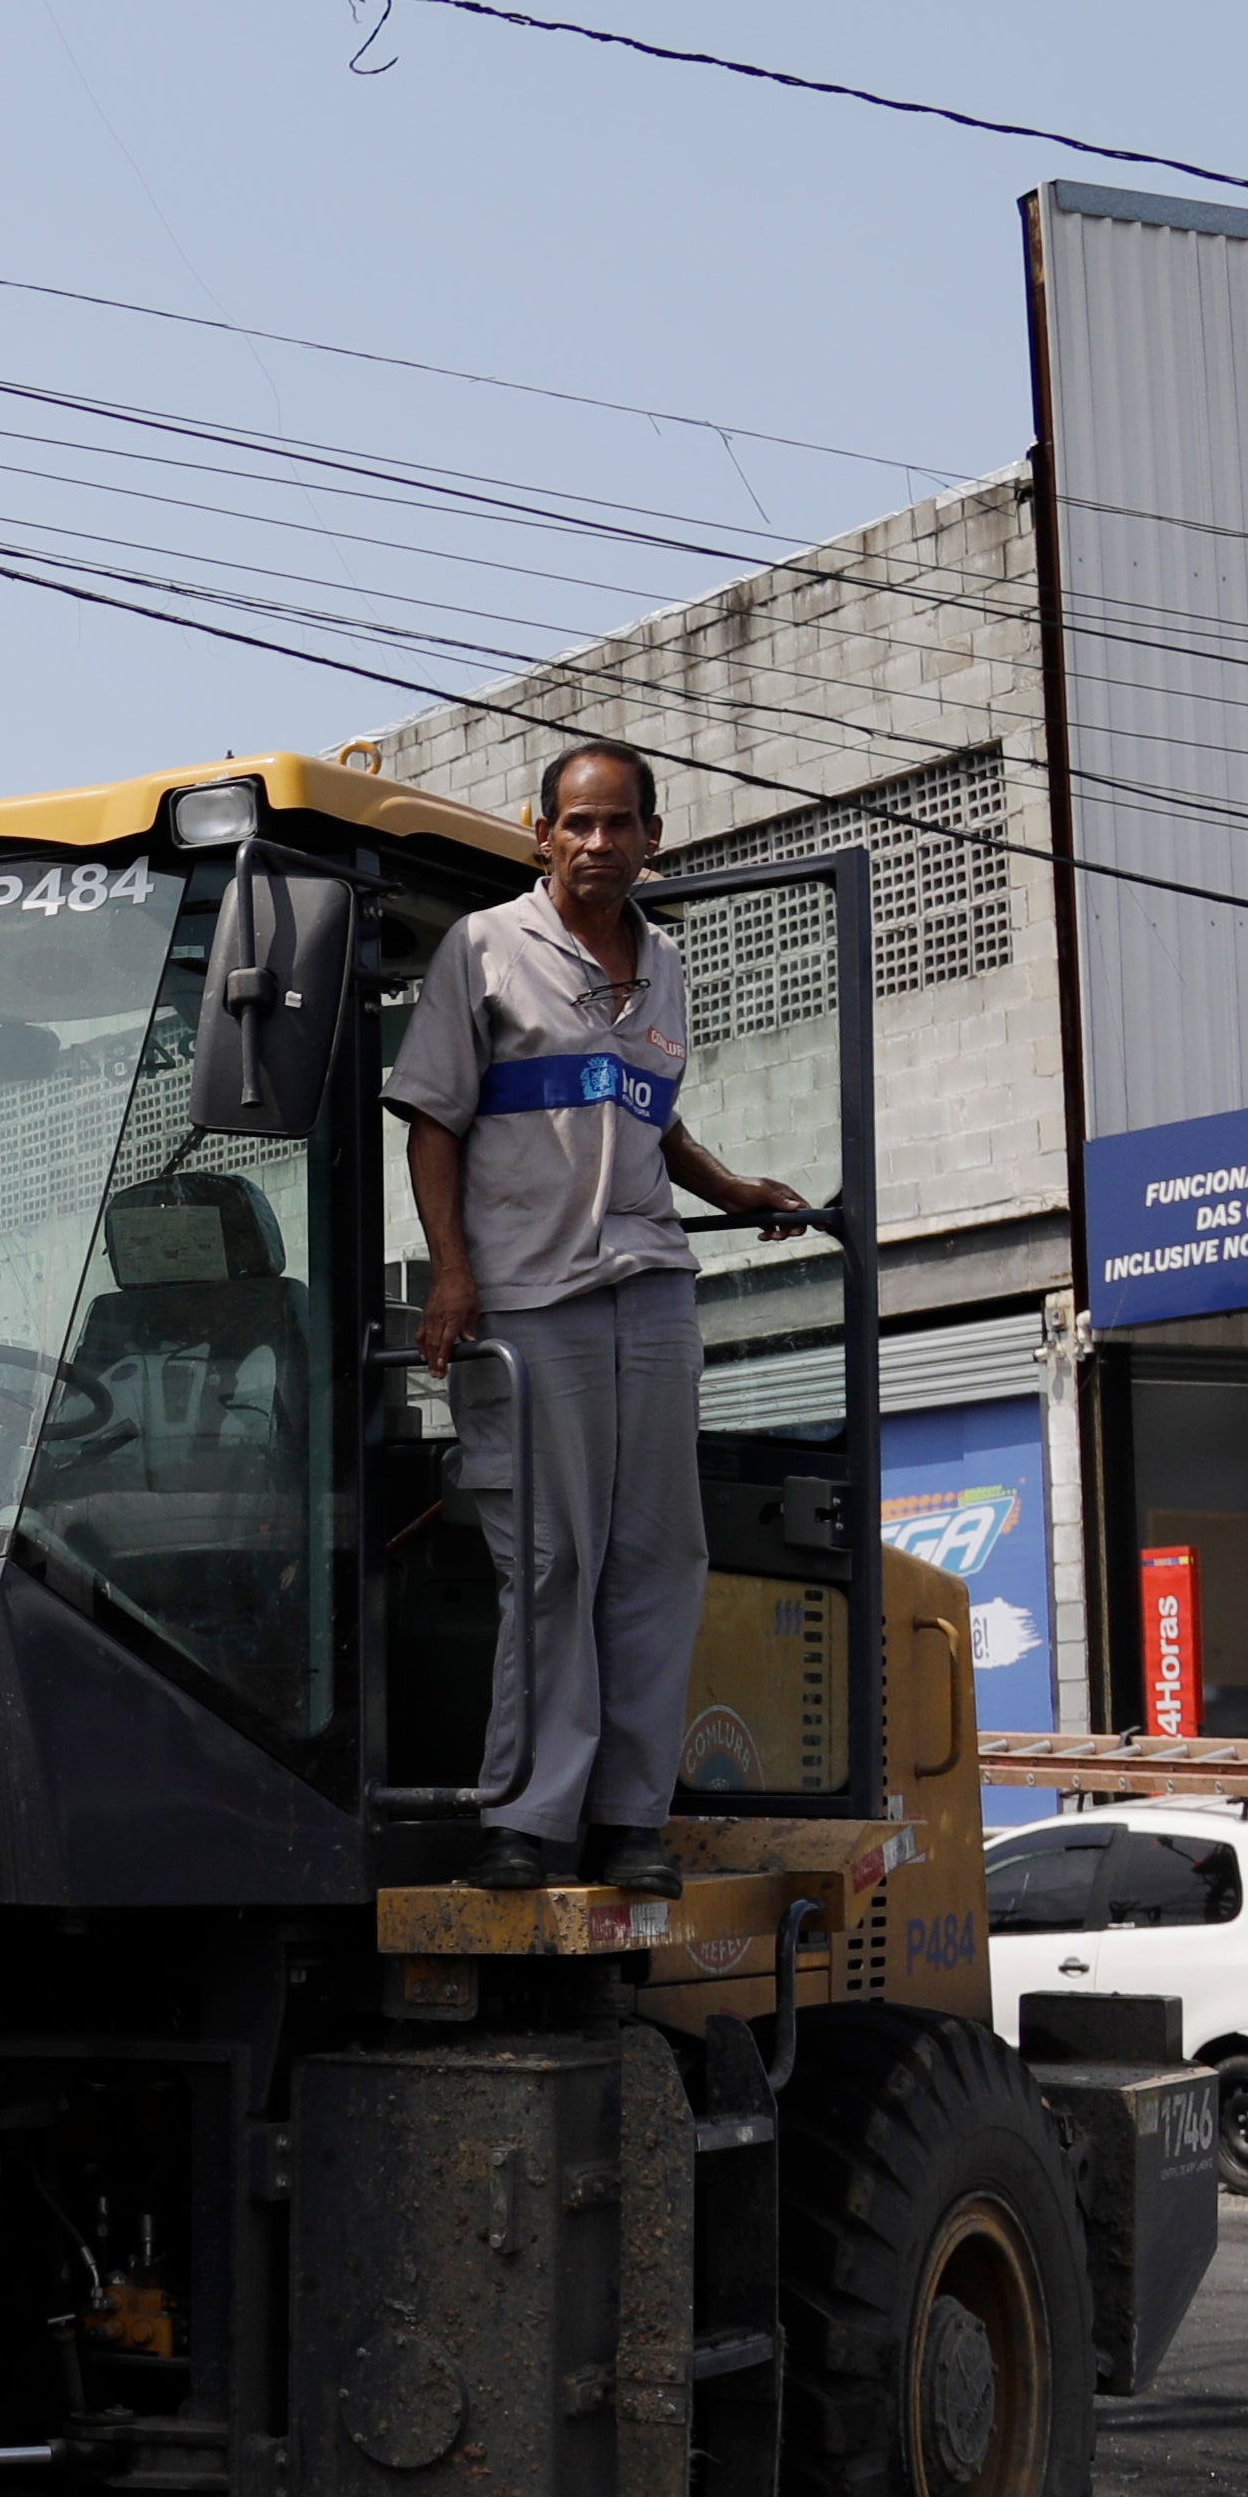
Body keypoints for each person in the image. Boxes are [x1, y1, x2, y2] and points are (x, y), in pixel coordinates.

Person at [389, 738, 818, 1896]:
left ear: (650, 839)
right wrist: (452, 1274)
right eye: (575, 824)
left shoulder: (664, 962)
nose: (596, 842)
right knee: (551, 1565)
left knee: (658, 1558)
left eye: (618, 823)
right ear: (542, 836)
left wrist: (728, 1189)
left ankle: (633, 1821)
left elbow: (644, 1115)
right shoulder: (484, 946)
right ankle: (529, 1821)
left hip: (651, 1288)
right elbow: (432, 1121)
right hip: (532, 1301)